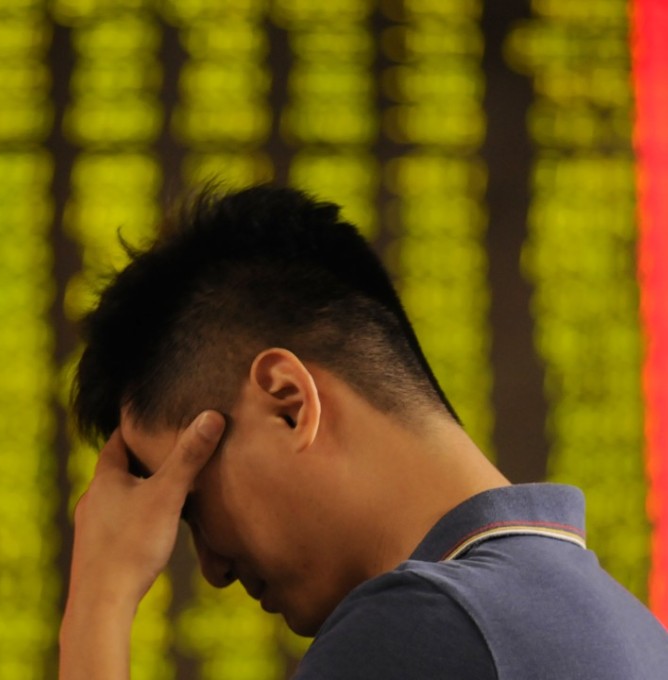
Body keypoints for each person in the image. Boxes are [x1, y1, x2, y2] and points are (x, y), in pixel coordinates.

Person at [58, 185, 668, 679]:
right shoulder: (636, 630)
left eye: (190, 503)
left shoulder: (422, 626)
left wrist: (96, 607)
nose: (212, 568)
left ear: (289, 402)